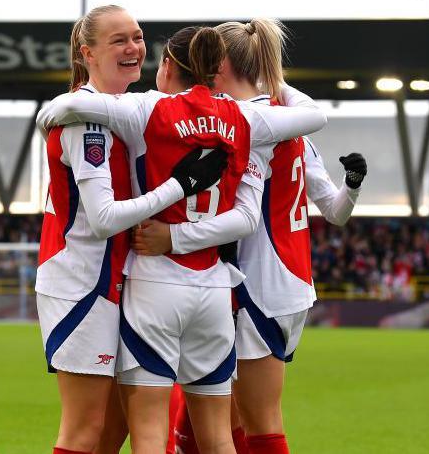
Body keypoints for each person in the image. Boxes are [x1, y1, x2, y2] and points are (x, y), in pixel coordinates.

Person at [37, 26, 327, 454]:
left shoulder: (149, 109)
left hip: (154, 284)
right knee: (218, 437)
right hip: (214, 289)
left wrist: (51, 115)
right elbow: (313, 121)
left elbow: (80, 104)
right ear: (215, 69)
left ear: (169, 66)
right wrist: (277, 81)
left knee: (151, 433)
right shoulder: (244, 118)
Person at [137, 19, 367, 454]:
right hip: (290, 282)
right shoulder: (287, 119)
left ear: (219, 64)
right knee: (208, 415)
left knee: (257, 425)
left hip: (258, 281)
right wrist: (352, 187)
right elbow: (334, 210)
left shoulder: (248, 120)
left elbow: (243, 217)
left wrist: (173, 238)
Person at [36, 5, 228, 454]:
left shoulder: (127, 109)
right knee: (86, 431)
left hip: (122, 281)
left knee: (116, 430)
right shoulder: (87, 123)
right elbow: (103, 219)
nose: (133, 48)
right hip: (83, 283)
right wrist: (180, 186)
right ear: (87, 52)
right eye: (118, 40)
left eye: (138, 37)